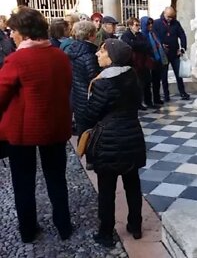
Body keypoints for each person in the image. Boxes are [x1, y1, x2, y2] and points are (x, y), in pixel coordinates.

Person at [0, 6, 73, 243]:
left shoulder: (17, 59)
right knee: (56, 179)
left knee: (23, 183)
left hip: (23, 132)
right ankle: (64, 226)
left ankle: (28, 230)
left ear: (25, 31)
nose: (11, 35)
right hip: (55, 127)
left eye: (14, 30)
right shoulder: (60, 55)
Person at [82, 39, 146, 247]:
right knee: (133, 185)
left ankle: (106, 233)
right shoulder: (133, 76)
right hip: (132, 137)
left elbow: (92, 115)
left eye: (102, 52)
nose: (97, 55)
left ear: (112, 57)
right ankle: (135, 226)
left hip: (108, 141)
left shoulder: (102, 82)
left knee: (107, 191)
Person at [65, 21, 101, 133]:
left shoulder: (72, 50)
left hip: (76, 98)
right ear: (91, 35)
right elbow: (94, 80)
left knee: (83, 133)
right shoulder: (89, 55)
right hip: (88, 101)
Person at [153, 7, 190, 101]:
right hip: (163, 53)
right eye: (169, 16)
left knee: (179, 74)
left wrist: (182, 48)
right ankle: (166, 95)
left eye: (172, 17)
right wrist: (161, 45)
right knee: (164, 76)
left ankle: (182, 92)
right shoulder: (156, 23)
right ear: (164, 13)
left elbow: (182, 35)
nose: (170, 19)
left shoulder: (176, 23)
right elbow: (154, 36)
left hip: (175, 52)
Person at [121, 17, 158, 110]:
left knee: (147, 83)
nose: (138, 27)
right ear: (130, 26)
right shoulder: (126, 35)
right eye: (136, 25)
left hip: (143, 63)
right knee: (138, 84)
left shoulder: (141, 35)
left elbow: (147, 45)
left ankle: (149, 101)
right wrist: (138, 45)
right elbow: (130, 45)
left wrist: (137, 44)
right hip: (134, 64)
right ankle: (138, 103)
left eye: (139, 25)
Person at [141, 16, 167, 107]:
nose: (151, 25)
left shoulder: (153, 34)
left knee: (156, 81)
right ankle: (148, 101)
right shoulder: (143, 35)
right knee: (148, 83)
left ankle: (157, 98)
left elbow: (157, 44)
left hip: (157, 60)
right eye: (148, 23)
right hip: (148, 62)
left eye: (152, 23)